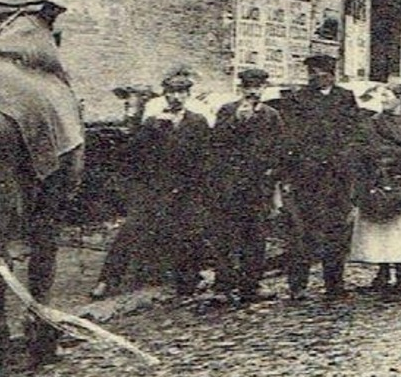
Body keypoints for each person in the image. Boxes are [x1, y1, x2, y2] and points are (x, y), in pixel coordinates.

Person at [93, 72, 212, 297]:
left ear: (188, 95)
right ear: (165, 95)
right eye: (171, 93)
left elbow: (205, 157)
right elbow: (133, 155)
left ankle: (189, 280)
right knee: (132, 229)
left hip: (186, 189)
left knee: (189, 230)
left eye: (181, 92)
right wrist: (154, 129)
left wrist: (197, 188)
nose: (176, 97)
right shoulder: (152, 122)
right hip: (155, 188)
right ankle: (107, 281)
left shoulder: (197, 122)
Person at [276, 54, 363, 299]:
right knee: (302, 231)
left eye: (323, 73)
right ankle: (298, 285)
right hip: (307, 177)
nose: (317, 78)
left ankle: (334, 284)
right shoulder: (298, 99)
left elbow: (354, 133)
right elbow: (291, 137)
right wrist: (292, 172)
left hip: (337, 178)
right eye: (312, 73)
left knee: (336, 231)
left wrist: (346, 162)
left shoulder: (345, 98)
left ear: (333, 75)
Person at [207, 67, 284, 303]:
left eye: (258, 88)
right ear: (241, 89)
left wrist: (272, 176)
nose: (254, 93)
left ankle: (251, 285)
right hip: (230, 184)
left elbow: (279, 149)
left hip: (258, 185)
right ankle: (223, 286)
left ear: (264, 89)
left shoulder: (271, 115)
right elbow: (217, 144)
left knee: (256, 235)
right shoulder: (227, 111)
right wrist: (236, 122)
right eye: (249, 89)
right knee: (227, 235)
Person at [350, 82, 401, 292]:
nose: (384, 99)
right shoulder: (373, 123)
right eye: (382, 96)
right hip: (378, 180)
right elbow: (364, 148)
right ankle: (382, 270)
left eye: (388, 95)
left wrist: (400, 158)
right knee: (382, 228)